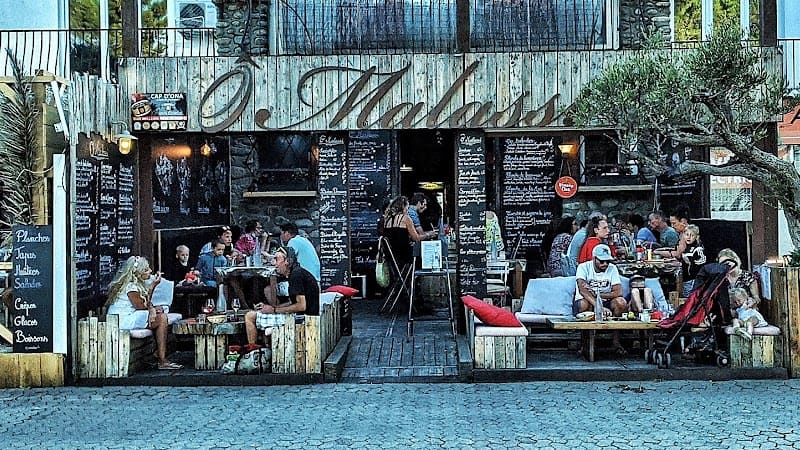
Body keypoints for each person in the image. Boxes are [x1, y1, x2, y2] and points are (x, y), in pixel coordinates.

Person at [105, 256, 182, 370]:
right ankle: (162, 359)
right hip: (123, 319)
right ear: (138, 273)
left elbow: (145, 304)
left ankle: (159, 354)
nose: (150, 271)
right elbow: (142, 306)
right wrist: (152, 287)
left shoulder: (135, 285)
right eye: (146, 269)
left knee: (160, 315)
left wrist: (153, 309)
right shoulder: (131, 287)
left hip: (128, 316)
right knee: (162, 319)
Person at [244, 247, 320, 347]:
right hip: (303, 316)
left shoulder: (296, 275)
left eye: (277, 259)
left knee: (250, 316)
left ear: (287, 261)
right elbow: (292, 302)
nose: (274, 263)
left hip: (302, 319)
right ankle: (264, 347)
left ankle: (252, 352)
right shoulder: (297, 273)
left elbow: (301, 306)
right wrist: (271, 308)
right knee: (258, 313)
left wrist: (274, 310)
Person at [574, 244, 630, 354]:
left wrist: (598, 295)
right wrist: (598, 305)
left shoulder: (612, 268)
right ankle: (585, 343)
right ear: (594, 258)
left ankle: (616, 341)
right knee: (584, 304)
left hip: (604, 300)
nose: (605, 264)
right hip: (588, 301)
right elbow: (582, 290)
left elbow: (618, 292)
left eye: (607, 261)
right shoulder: (583, 267)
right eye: (602, 261)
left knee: (621, 302)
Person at [382, 195, 435, 271]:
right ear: (403, 206)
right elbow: (416, 238)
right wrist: (429, 235)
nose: (408, 209)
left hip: (390, 256)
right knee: (425, 254)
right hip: (405, 255)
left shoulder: (387, 219)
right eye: (407, 206)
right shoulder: (406, 218)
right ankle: (415, 280)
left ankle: (406, 279)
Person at [564, 211, 605, 276]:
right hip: (577, 270)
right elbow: (592, 262)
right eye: (604, 227)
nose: (608, 230)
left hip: (579, 268)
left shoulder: (584, 234)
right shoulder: (585, 236)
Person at [679, 224, 707, 297]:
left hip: (693, 279)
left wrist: (691, 263)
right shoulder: (685, 247)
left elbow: (702, 261)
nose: (689, 237)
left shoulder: (698, 248)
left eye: (692, 235)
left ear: (696, 237)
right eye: (687, 234)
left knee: (691, 299)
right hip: (685, 279)